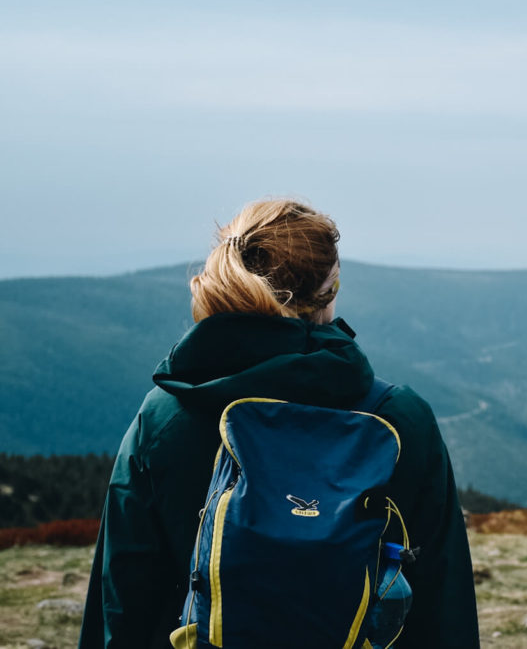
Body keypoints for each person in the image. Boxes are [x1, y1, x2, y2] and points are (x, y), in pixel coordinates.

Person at [79, 199, 479, 648]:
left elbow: (123, 594)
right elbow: (443, 599)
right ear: (329, 294)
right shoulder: (398, 420)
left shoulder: (164, 417)